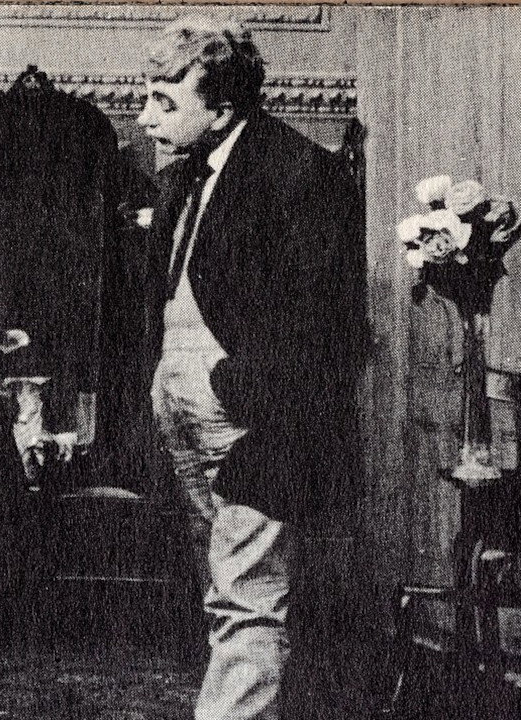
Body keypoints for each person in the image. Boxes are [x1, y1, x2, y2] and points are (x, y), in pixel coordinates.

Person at [136, 16, 365, 720]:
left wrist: (224, 387)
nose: (144, 118)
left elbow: (324, 328)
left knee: (248, 601)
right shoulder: (183, 175)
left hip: (253, 423)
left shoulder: (302, 174)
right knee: (224, 592)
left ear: (223, 109)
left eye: (164, 101)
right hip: (183, 413)